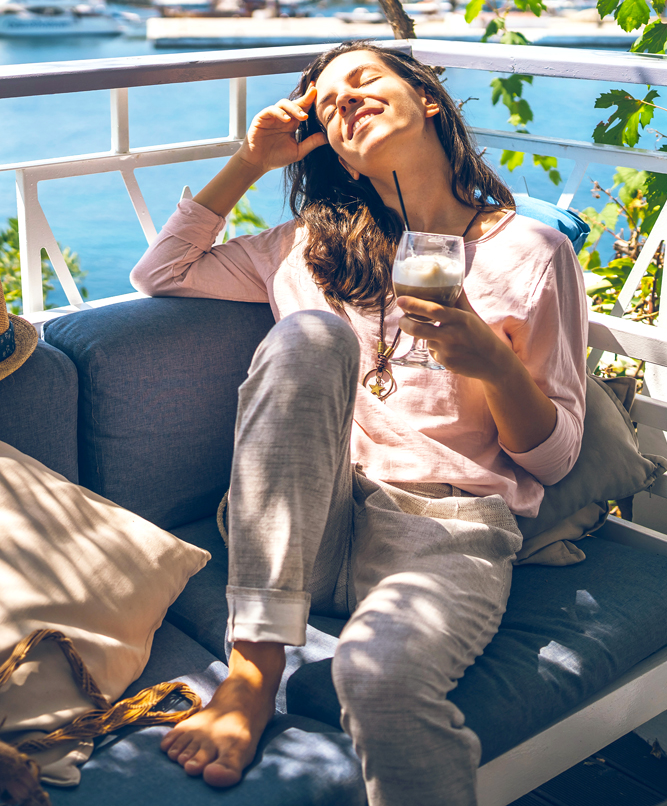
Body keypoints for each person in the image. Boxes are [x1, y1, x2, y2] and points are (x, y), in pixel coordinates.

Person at [129, 42, 588, 806]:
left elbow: (556, 459)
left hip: (446, 532)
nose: (345, 101)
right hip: (307, 522)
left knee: (378, 682)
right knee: (311, 336)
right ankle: (253, 669)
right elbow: (160, 272)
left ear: (428, 99)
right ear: (332, 153)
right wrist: (251, 161)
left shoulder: (531, 254)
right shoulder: (305, 248)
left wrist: (497, 367)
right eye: (328, 105)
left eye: (364, 80)